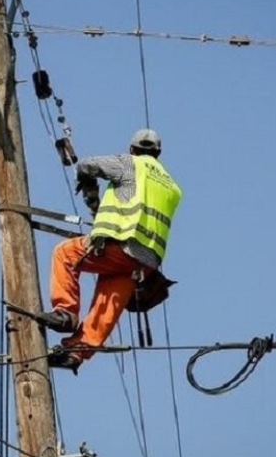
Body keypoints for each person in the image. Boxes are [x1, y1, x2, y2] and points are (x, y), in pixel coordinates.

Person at [39, 128, 182, 373]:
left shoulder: (130, 163)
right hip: (145, 262)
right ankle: (76, 352)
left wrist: (88, 186)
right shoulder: (172, 186)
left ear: (132, 149)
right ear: (158, 153)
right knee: (108, 302)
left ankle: (65, 313)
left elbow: (87, 165)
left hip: (123, 246)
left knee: (65, 253)